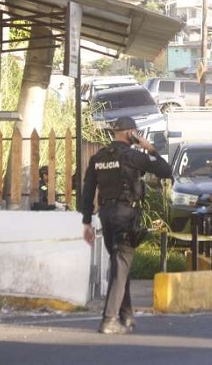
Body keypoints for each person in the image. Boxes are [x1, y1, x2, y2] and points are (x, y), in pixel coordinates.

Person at [81, 116, 173, 334]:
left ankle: (126, 316)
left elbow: (87, 191)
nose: (138, 135)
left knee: (120, 264)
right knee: (121, 264)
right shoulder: (132, 156)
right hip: (125, 214)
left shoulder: (99, 158)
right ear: (129, 132)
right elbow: (165, 171)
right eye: (136, 132)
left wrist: (86, 222)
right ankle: (109, 319)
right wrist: (150, 149)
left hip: (105, 215)